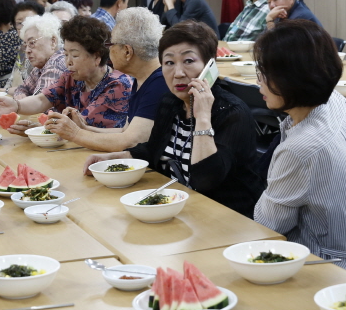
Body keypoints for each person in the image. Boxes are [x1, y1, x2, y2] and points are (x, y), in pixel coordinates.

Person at [82, 20, 257, 215]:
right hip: (179, 209)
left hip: (224, 217)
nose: (178, 73)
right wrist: (109, 159)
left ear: (210, 66)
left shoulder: (232, 112)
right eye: (169, 63)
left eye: (189, 61)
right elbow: (152, 150)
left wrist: (203, 118)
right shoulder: (170, 101)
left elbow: (205, 180)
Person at [253, 20, 346, 267]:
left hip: (313, 266)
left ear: (292, 79)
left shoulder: (300, 149)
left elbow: (267, 225)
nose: (259, 81)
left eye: (265, 73)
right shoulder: (334, 100)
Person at [46, 7, 167, 151]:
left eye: (111, 44)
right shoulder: (142, 81)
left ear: (127, 51)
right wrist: (83, 127)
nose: (108, 50)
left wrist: (75, 133)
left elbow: (130, 141)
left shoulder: (159, 84)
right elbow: (124, 131)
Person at [0, 15, 130, 128]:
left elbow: (82, 125)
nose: (68, 62)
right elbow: (43, 99)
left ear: (97, 57)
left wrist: (40, 127)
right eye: (66, 54)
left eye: (74, 55)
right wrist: (16, 105)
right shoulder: (71, 77)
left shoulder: (117, 86)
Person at [11, 13, 68, 101]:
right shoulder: (40, 66)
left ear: (53, 42)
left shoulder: (56, 64)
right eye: (26, 45)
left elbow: (40, 104)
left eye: (32, 43)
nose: (27, 51)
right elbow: (22, 88)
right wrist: (20, 94)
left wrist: (20, 102)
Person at [8, 0, 46, 89]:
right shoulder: (22, 48)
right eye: (19, 23)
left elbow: (32, 90)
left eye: (29, 21)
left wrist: (4, 91)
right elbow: (12, 80)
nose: (24, 27)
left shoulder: (44, 50)